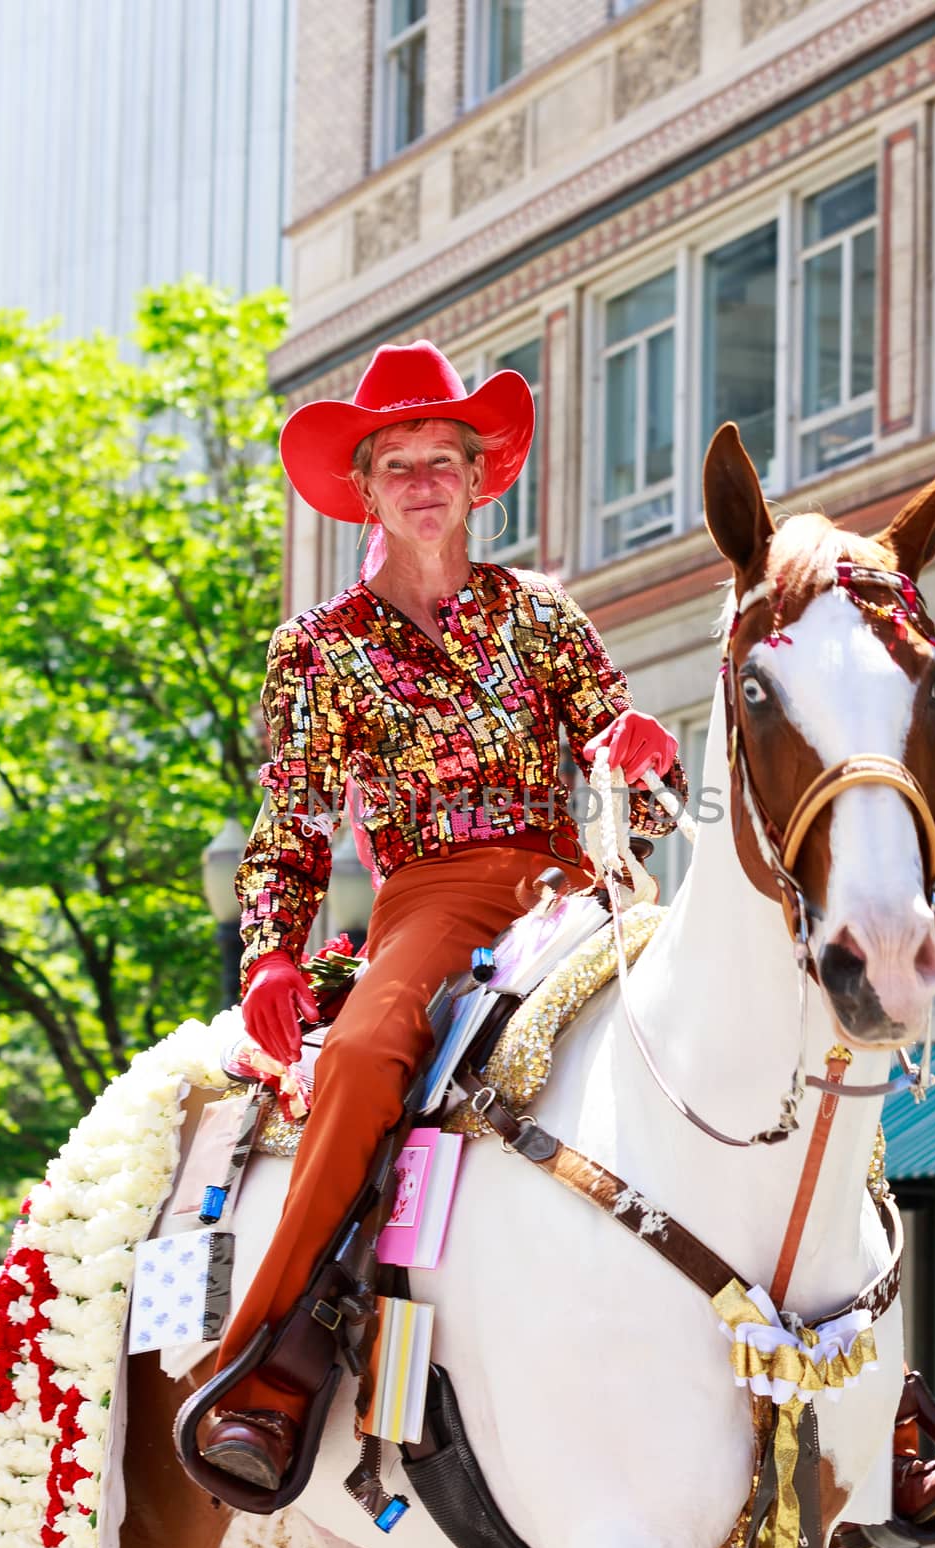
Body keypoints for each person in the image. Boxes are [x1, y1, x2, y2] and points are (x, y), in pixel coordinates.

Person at [200, 339, 684, 1488]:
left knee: (766, 1017)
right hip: (433, 894)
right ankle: (273, 1362)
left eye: (443, 459)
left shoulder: (545, 617)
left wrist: (645, 765)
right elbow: (295, 816)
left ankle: (885, 1388)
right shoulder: (318, 648)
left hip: (577, 881)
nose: (422, 480)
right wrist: (271, 950)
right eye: (398, 462)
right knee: (366, 1055)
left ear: (478, 478)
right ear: (364, 489)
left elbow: (643, 798)